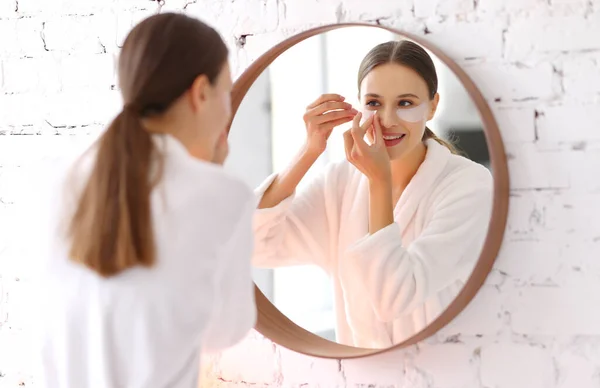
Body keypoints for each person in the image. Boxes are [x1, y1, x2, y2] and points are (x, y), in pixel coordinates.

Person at [29, 13, 257, 387]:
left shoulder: (58, 178)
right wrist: (214, 172)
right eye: (226, 93)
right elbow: (223, 331)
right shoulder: (222, 196)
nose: (227, 110)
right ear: (201, 92)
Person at [252, 40, 493, 348]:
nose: (388, 120)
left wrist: (379, 182)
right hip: (362, 375)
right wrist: (309, 150)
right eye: (374, 103)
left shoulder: (468, 185)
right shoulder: (340, 182)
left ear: (433, 105)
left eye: (405, 103)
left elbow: (394, 297)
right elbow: (256, 245)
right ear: (359, 106)